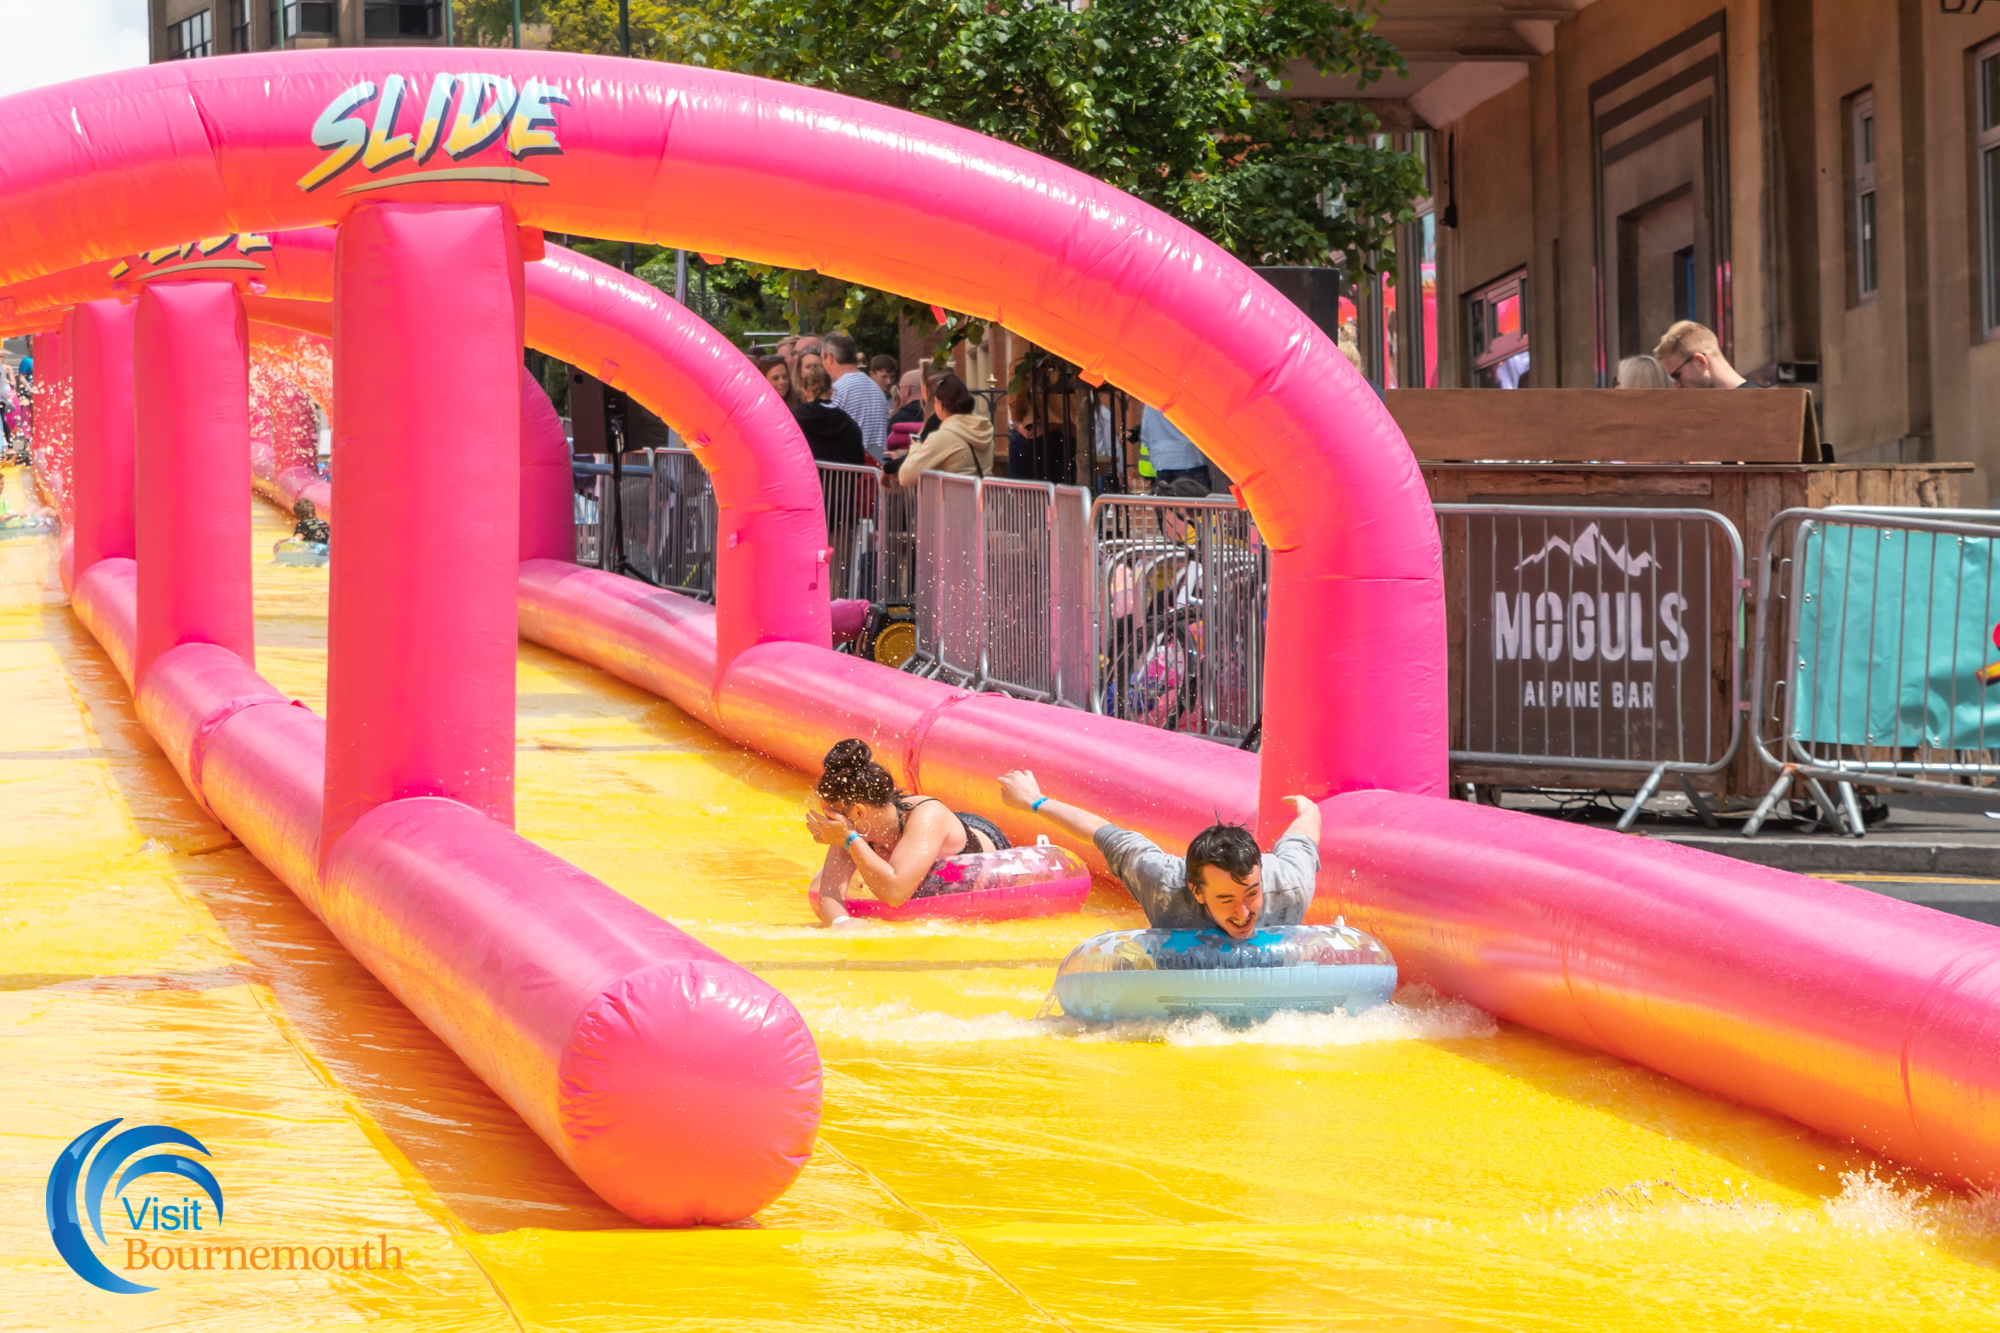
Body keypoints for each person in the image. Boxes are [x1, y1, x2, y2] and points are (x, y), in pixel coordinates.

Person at [997, 770, 1321, 940]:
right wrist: (1034, 801)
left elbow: (1303, 838)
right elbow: (1103, 832)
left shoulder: (1288, 887)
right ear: (1196, 890)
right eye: (1225, 899)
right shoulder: (1163, 883)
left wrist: (1309, 809)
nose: (1243, 911)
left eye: (1251, 893)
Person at [806, 739, 1011, 926]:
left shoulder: (927, 815)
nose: (828, 822)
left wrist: (850, 839)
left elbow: (895, 893)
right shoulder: (850, 825)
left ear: (859, 811)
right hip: (926, 832)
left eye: (830, 815)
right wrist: (841, 922)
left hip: (979, 837)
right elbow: (829, 892)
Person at [890, 373, 992, 483]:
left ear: (939, 403)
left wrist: (916, 446)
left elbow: (905, 477)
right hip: (980, 498)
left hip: (951, 499)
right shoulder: (984, 429)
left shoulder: (942, 437)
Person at [823, 332, 890, 460]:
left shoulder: (837, 391)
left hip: (850, 472)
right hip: (877, 472)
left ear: (830, 358)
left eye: (823, 358)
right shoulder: (877, 390)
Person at [791, 361, 867, 465]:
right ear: (831, 390)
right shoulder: (850, 424)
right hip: (844, 480)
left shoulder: (795, 417)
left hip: (811, 479)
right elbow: (859, 466)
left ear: (805, 393)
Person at [1653, 321, 1753, 389]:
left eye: (1677, 375)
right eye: (1672, 379)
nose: (1676, 385)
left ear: (1700, 361)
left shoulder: (1759, 404)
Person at [1139, 404, 1210, 489]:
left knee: (1167, 500)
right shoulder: (1185, 398)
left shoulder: (1151, 403)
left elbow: (1145, 433)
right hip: (1188, 457)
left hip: (1162, 461)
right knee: (1194, 498)